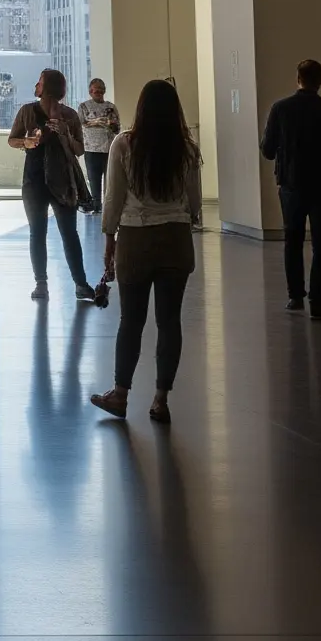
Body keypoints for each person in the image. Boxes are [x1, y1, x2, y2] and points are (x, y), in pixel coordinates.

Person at [88, 78, 203, 425]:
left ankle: (120, 395)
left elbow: (113, 198)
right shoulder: (187, 148)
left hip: (136, 239)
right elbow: (194, 203)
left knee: (131, 321)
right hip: (176, 239)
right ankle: (160, 400)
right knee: (169, 322)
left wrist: (110, 240)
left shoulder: (124, 144)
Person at [260, 58, 321, 320]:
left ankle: (295, 296)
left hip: (291, 187)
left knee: (292, 242)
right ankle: (318, 302)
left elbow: (268, 151)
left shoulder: (280, 109)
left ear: (297, 79)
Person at [10, 69, 106, 305]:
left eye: (40, 82)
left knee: (69, 233)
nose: (36, 85)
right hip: (34, 180)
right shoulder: (27, 111)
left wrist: (64, 134)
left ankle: (80, 284)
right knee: (38, 232)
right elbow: (13, 139)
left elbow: (79, 149)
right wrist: (27, 141)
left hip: (63, 180)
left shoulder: (70, 116)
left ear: (48, 87)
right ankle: (41, 283)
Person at [78, 78, 120, 205]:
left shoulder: (111, 107)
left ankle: (109, 206)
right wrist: (95, 122)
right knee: (94, 180)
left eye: (101, 89)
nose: (99, 91)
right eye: (96, 89)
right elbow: (80, 124)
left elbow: (117, 128)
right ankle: (96, 207)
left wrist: (111, 124)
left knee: (110, 180)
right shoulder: (83, 106)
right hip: (91, 149)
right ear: (90, 91)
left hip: (109, 149)